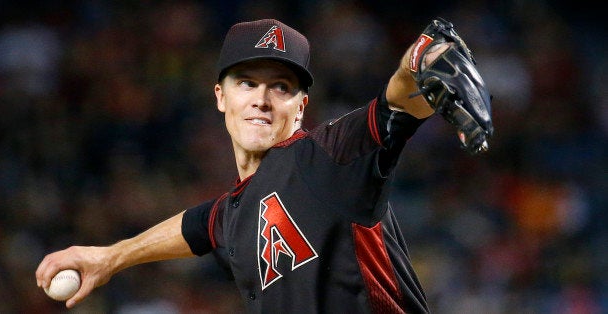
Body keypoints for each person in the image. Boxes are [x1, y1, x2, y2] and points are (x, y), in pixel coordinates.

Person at [36, 18, 466, 313]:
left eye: (281, 86)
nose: (261, 99)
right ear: (221, 96)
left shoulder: (326, 156)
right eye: (247, 83)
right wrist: (111, 257)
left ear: (301, 107)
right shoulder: (238, 211)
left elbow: (396, 104)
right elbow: (200, 226)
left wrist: (419, 63)